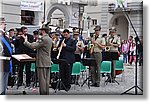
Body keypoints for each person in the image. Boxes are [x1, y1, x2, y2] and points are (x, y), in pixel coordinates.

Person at [22, 23, 52, 95]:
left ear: (43, 31)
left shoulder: (44, 39)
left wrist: (25, 41)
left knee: (42, 81)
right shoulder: (49, 38)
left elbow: (33, 46)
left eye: (41, 30)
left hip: (42, 62)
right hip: (47, 61)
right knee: (46, 81)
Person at [0, 17, 12, 95]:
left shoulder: (5, 36)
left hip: (6, 62)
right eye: (4, 24)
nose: (5, 26)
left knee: (4, 83)